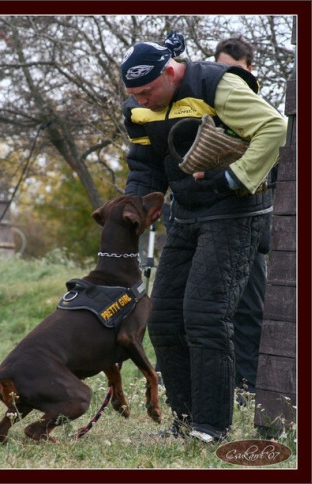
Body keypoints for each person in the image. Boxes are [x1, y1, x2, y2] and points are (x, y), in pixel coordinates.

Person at [120, 31, 287, 442]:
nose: (140, 100)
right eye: (134, 93)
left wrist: (233, 178)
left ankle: (212, 427)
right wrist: (139, 204)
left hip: (235, 210)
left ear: (172, 72)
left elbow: (275, 128)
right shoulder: (139, 108)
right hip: (187, 212)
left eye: (146, 90)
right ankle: (184, 421)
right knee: (163, 319)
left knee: (205, 316)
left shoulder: (218, 84)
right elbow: (145, 164)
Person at [214, 36, 278, 397]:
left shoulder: (260, 111)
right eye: (224, 69)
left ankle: (248, 385)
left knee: (251, 307)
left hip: (251, 222)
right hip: (212, 220)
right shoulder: (208, 106)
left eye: (237, 70)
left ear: (250, 70)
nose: (230, 76)